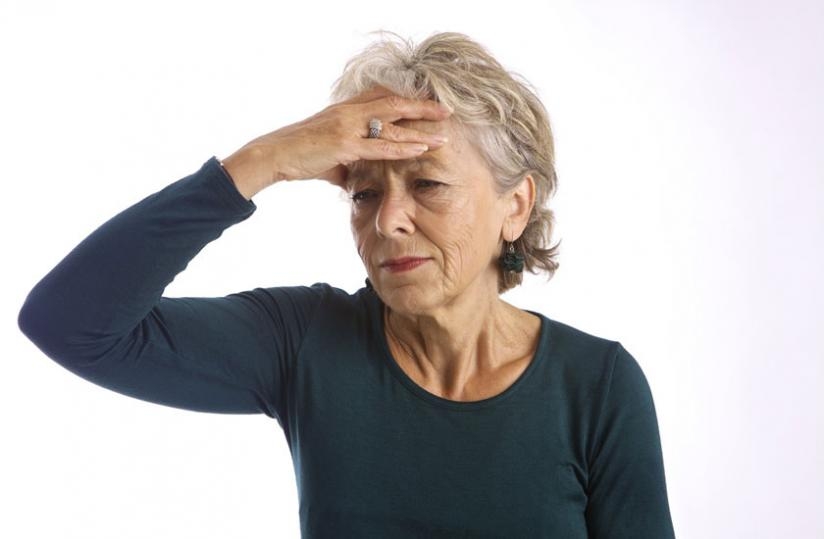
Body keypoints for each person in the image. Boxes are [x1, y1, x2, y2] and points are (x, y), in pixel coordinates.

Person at [18, 30, 675, 537]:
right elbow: (69, 323)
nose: (388, 221)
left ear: (516, 205)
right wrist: (264, 160)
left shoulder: (598, 387)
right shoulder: (304, 342)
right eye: (364, 193)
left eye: (428, 184)